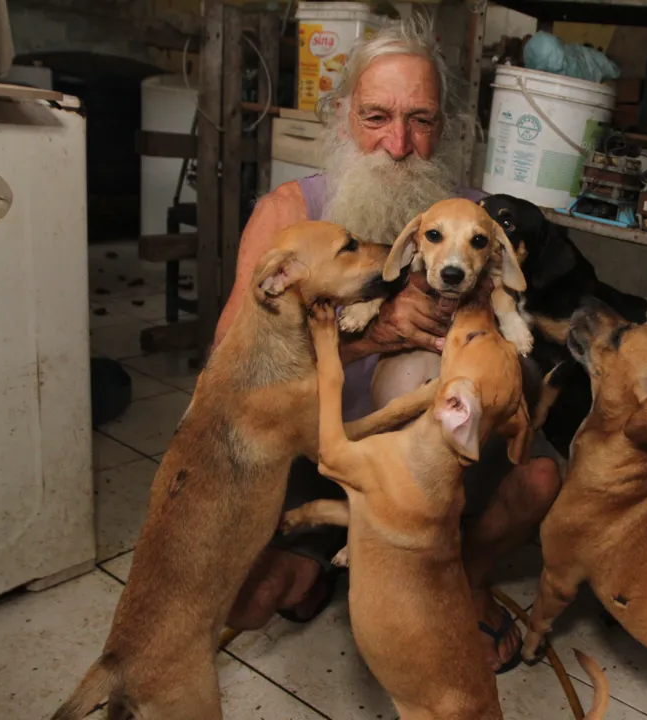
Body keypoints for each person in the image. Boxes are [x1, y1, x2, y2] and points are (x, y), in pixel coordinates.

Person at [212, 16, 562, 673]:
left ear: (446, 127)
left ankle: (462, 573)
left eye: (421, 119)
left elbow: (511, 351)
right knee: (250, 602)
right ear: (341, 114)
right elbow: (228, 367)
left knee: (541, 477)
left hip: (436, 456)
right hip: (323, 446)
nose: (398, 144)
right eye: (376, 116)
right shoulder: (290, 211)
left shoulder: (480, 221)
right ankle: (322, 560)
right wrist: (372, 334)